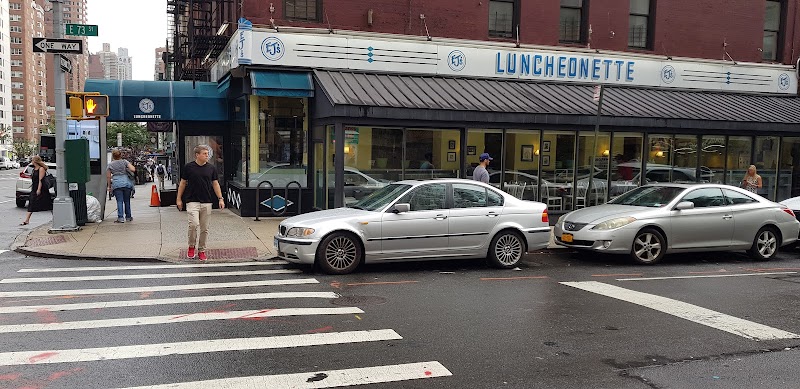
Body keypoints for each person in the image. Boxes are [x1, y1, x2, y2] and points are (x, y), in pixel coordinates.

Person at [176, 145, 225, 261]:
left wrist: (220, 198)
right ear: (197, 155)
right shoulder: (189, 167)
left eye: (207, 154)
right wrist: (178, 199)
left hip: (207, 201)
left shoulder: (211, 168)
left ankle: (202, 250)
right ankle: (191, 246)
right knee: (193, 224)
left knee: (204, 228)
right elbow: (182, 183)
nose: (207, 156)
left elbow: (215, 184)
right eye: (204, 153)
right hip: (192, 200)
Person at [20, 156, 53, 225]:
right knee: (31, 202)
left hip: (41, 189)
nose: (31, 161)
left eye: (32, 160)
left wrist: (39, 189)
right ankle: (27, 220)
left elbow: (40, 180)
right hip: (34, 188)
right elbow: (34, 178)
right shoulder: (34, 169)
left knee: (48, 203)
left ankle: (55, 217)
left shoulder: (41, 169)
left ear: (35, 161)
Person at [107, 149, 136, 223]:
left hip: (116, 184)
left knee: (119, 201)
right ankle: (128, 217)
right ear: (120, 155)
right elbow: (133, 169)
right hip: (126, 183)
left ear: (113, 156)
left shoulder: (110, 165)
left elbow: (108, 177)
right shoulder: (124, 162)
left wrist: (109, 187)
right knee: (127, 201)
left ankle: (120, 218)